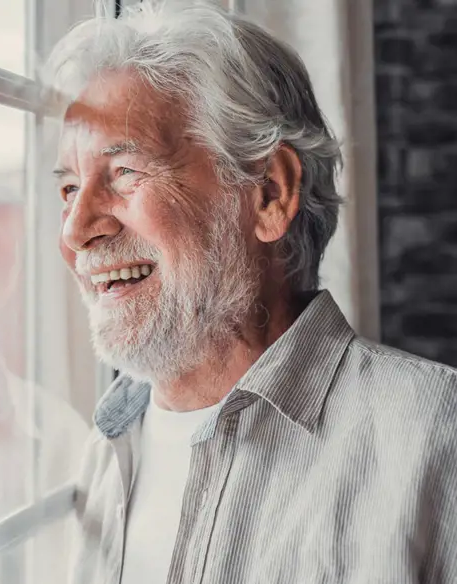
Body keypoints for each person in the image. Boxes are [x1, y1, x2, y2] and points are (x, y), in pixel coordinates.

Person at [44, 1, 457, 583]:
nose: (75, 232)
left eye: (125, 173)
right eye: (67, 188)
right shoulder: (105, 451)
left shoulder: (438, 436)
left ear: (268, 194)